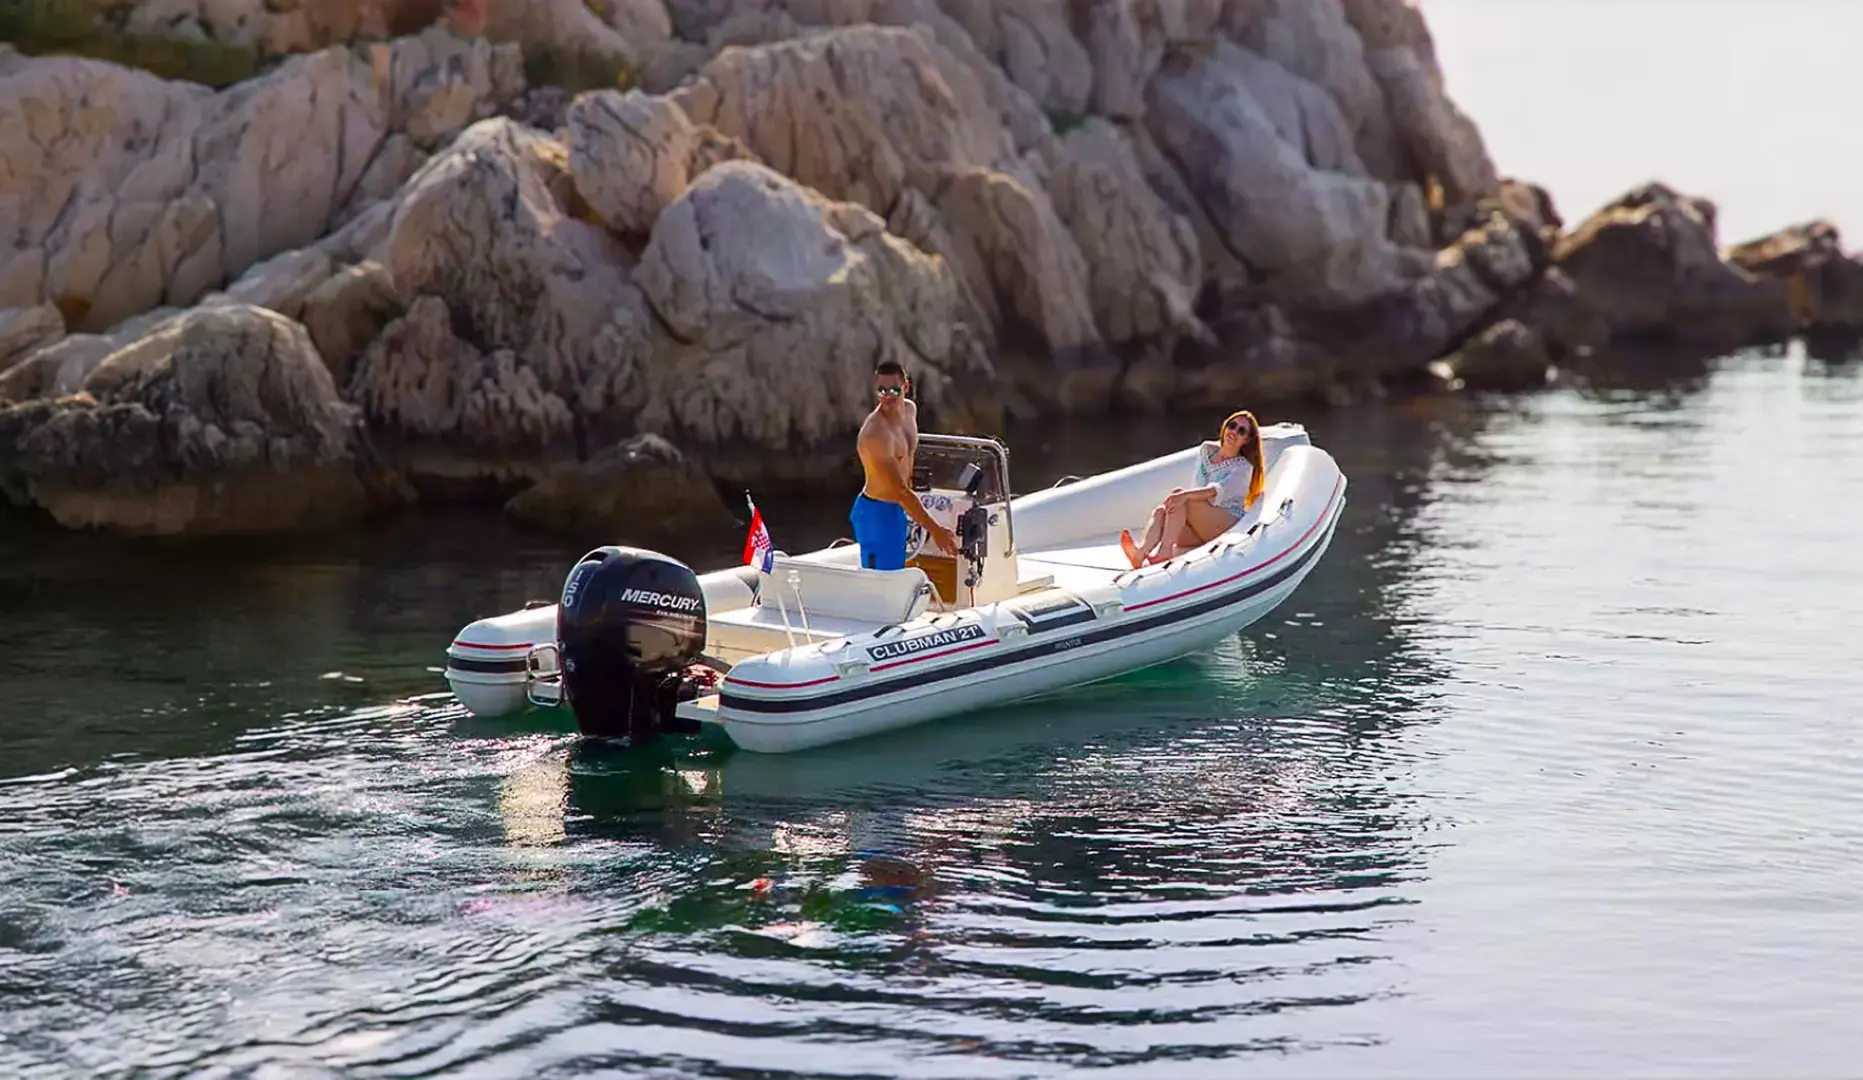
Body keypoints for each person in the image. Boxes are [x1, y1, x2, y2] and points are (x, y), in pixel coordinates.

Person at [1120, 409, 1266, 568]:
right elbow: (1198, 485)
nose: (1234, 431)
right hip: (1201, 525)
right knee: (1162, 511)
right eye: (1232, 425)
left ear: (1246, 440)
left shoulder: (1243, 467)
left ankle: (1164, 552)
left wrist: (1183, 496)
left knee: (1183, 497)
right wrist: (1181, 499)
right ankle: (1139, 554)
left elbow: (1216, 491)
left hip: (1225, 524)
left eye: (1241, 430)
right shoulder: (1207, 450)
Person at [852, 361, 958, 570]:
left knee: (896, 571)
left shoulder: (910, 411)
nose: (887, 396)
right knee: (882, 582)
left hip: (898, 507)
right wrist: (935, 531)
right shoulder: (876, 434)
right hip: (877, 512)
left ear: (906, 388)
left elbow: (906, 459)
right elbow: (899, 490)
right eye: (881, 390)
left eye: (894, 389)